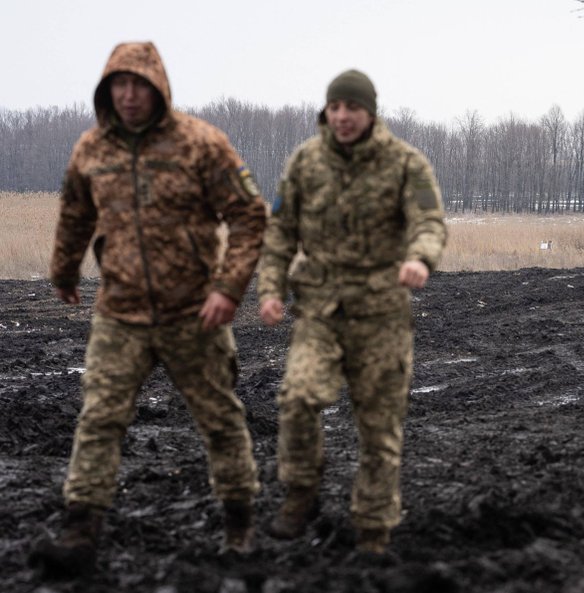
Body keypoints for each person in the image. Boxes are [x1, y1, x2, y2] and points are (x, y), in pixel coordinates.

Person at [30, 42, 266, 575]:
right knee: (99, 420)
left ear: (159, 87)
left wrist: (228, 288)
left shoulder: (202, 144)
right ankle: (79, 533)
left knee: (223, 421)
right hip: (120, 315)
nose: (130, 95)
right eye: (120, 85)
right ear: (107, 89)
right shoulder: (92, 149)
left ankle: (241, 532)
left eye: (140, 85)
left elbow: (250, 216)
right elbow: (73, 213)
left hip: (193, 315)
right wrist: (64, 272)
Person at [256, 69, 447, 555]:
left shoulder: (405, 163)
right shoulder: (304, 162)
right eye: (335, 108)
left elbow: (428, 219)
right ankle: (300, 495)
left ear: (370, 112)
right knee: (297, 398)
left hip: (381, 313)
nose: (342, 117)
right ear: (327, 111)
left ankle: (373, 529)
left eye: (352, 108)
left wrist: (419, 258)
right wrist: (270, 289)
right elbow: (279, 232)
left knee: (379, 424)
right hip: (319, 311)